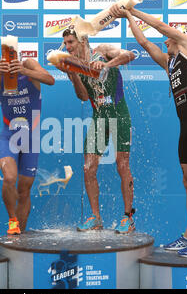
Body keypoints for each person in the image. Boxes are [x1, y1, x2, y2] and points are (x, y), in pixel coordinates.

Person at [110, 5, 187, 256]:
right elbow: (145, 42)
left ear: (182, 38)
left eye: (170, 36)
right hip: (186, 125)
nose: (165, 39)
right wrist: (127, 17)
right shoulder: (170, 63)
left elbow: (159, 27)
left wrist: (133, 10)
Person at [55, 28, 136, 234]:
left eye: (71, 42)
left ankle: (128, 217)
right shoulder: (73, 64)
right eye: (65, 43)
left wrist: (105, 64)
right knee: (88, 168)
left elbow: (130, 55)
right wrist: (73, 76)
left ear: (83, 40)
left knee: (122, 165)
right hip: (99, 117)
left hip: (119, 114)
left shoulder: (102, 50)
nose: (67, 47)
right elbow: (83, 97)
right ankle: (95, 218)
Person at [0, 56, 55, 235]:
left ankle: (20, 235)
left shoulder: (28, 64)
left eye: (12, 54)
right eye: (5, 54)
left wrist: (24, 71)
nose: (9, 58)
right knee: (9, 178)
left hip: (31, 138)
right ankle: (12, 220)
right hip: (9, 136)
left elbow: (50, 80)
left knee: (24, 190)